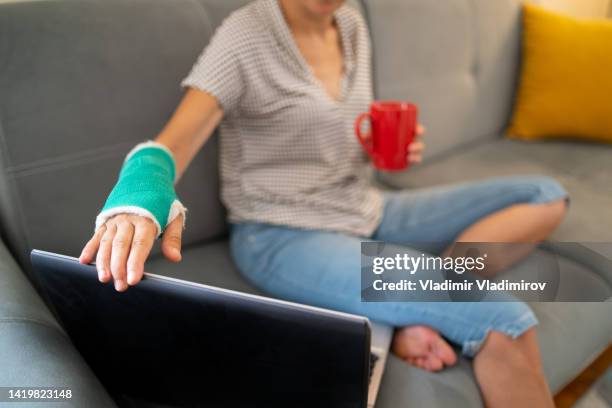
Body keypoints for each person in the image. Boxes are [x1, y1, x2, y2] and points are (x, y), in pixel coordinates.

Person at [80, 0, 568, 406]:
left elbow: (335, 132)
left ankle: (420, 295)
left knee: (544, 195)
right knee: (506, 320)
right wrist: (136, 200)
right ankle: (421, 297)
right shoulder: (247, 34)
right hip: (284, 235)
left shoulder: (352, 23)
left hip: (365, 207)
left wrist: (380, 146)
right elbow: (172, 145)